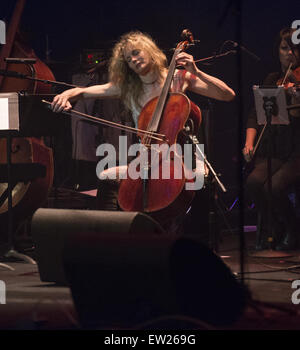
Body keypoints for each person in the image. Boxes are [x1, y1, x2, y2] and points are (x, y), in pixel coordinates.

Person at [51, 30, 235, 234]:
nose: (134, 60)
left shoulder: (178, 77)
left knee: (198, 179)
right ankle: (111, 238)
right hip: (146, 159)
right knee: (106, 175)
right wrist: (67, 94)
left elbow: (227, 95)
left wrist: (197, 72)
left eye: (136, 53)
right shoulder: (128, 88)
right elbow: (83, 92)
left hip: (182, 156)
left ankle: (195, 243)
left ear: (150, 51)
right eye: (129, 59)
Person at [243, 27, 300, 250]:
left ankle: (293, 229)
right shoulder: (272, 79)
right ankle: (276, 225)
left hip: (297, 151)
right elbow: (255, 114)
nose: (289, 54)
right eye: (285, 48)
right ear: (277, 51)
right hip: (277, 149)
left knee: (274, 188)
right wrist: (249, 143)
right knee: (254, 183)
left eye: (295, 49)